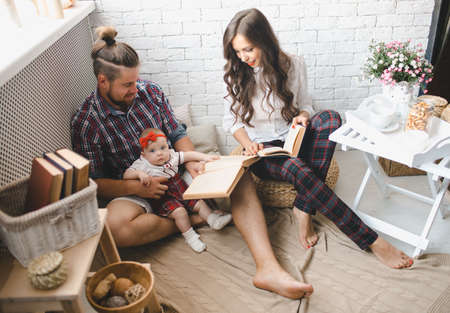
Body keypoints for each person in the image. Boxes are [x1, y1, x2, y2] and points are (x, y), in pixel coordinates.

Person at [73, 25, 314, 300]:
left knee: (238, 173)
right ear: (103, 81)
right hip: (133, 190)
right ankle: (197, 218)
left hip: (176, 172)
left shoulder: (149, 92)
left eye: (136, 80)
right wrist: (138, 190)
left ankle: (268, 268)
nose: (134, 88)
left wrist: (192, 166)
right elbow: (94, 183)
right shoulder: (87, 122)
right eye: (127, 85)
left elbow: (177, 134)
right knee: (115, 228)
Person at [222, 9, 414, 275]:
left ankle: (304, 207)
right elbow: (231, 122)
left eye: (248, 49)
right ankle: (371, 240)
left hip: (293, 137)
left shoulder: (293, 64)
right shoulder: (237, 73)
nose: (243, 57)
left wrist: (302, 115)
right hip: (264, 150)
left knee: (331, 118)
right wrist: (247, 142)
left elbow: (306, 103)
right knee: (296, 167)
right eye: (238, 51)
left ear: (264, 40)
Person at [123, 127, 232, 252]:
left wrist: (204, 157)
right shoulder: (143, 164)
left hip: (180, 186)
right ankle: (190, 236)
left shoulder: (172, 156)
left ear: (167, 147)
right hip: (164, 195)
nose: (159, 153)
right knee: (180, 213)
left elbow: (187, 155)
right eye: (152, 150)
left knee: (199, 202)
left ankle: (212, 219)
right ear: (144, 154)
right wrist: (139, 174)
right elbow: (126, 175)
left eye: (162, 148)